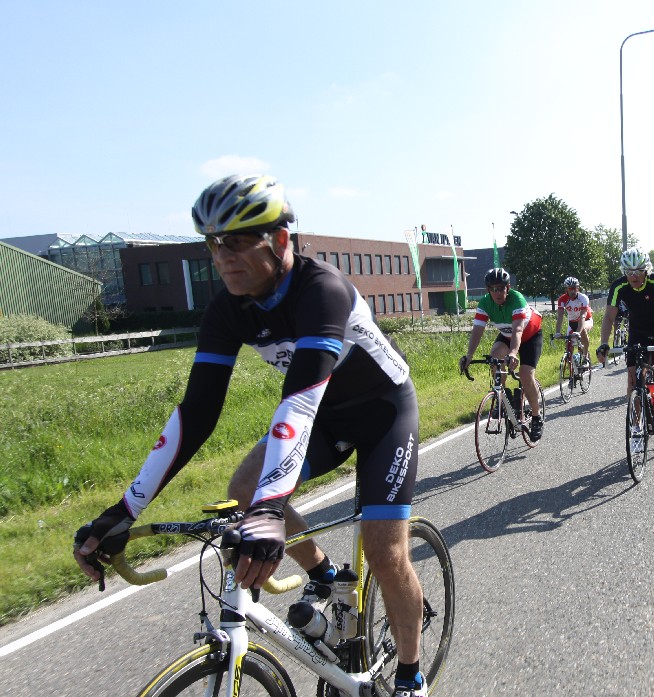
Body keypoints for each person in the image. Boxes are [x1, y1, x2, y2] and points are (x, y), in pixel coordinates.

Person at [72, 175, 430, 697]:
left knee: (383, 550)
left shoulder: (321, 291)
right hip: (325, 418)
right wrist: (124, 510)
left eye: (236, 242)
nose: (222, 257)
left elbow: (298, 402)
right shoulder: (228, 309)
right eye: (213, 244)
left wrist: (270, 509)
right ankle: (325, 574)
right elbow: (196, 414)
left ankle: (410, 675)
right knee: (244, 487)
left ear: (279, 240)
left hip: (382, 414)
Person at [596, 248, 654, 452]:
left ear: (646, 269)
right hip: (637, 331)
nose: (634, 276)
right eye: (629, 272)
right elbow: (609, 316)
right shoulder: (619, 286)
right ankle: (636, 429)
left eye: (639, 271)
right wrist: (604, 343)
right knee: (633, 383)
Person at [459, 268, 545, 441]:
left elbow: (518, 330)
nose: (498, 292)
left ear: (508, 288)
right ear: (488, 290)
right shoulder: (485, 303)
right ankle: (503, 397)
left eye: (501, 288)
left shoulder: (516, 299)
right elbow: (477, 331)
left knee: (525, 375)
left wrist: (513, 353)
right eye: (493, 289)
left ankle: (536, 417)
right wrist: (469, 355)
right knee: (495, 358)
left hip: (530, 336)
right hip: (507, 335)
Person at [553, 276, 593, 362]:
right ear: (566, 289)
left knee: (582, 330)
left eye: (575, 288)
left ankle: (585, 356)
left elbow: (582, 316)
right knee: (568, 345)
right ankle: (571, 366)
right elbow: (560, 316)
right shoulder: (562, 299)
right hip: (572, 323)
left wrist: (578, 331)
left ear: (578, 288)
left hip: (586, 320)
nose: (573, 291)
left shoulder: (583, 298)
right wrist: (557, 332)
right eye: (570, 288)